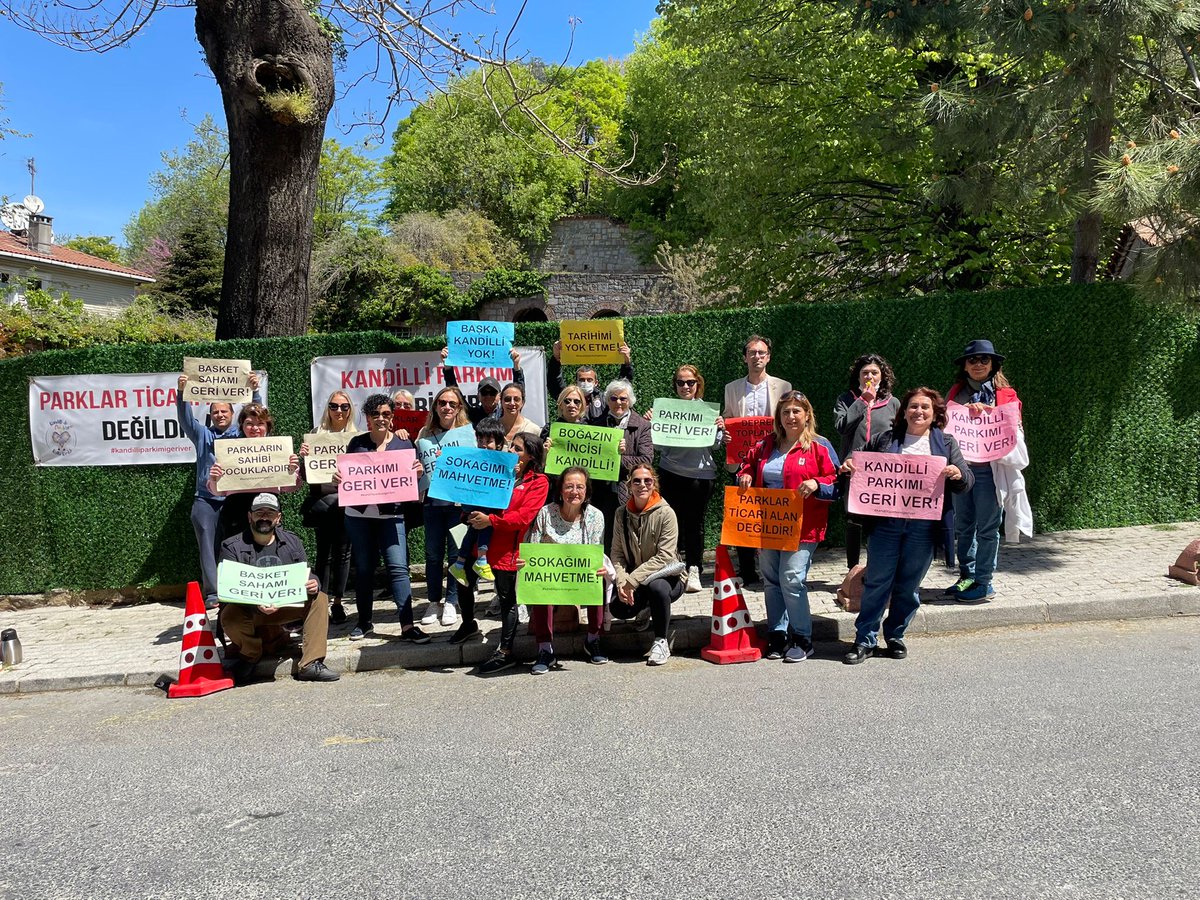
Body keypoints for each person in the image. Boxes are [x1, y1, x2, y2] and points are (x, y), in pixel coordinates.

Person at [841, 388, 973, 664]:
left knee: (908, 585)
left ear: (935, 413)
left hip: (923, 527)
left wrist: (957, 473)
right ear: (904, 411)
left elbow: (967, 480)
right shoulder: (885, 439)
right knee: (877, 581)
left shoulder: (946, 443)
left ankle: (895, 635)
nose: (919, 412)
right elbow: (859, 462)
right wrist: (850, 465)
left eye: (925, 407)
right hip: (886, 524)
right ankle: (864, 639)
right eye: (913, 406)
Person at [737, 392, 839, 660]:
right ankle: (777, 634)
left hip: (804, 525)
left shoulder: (819, 446)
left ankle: (803, 638)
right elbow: (746, 465)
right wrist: (745, 474)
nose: (791, 417)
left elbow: (837, 481)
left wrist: (818, 483)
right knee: (771, 580)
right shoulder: (766, 444)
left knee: (791, 579)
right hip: (768, 524)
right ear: (778, 418)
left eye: (796, 411)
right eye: (785, 412)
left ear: (807, 415)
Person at [218, 493, 340, 684]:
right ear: (250, 516)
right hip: (250, 609)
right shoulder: (231, 546)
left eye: (270, 512)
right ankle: (250, 655)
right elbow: (228, 588)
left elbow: (307, 572)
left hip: (285, 606)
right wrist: (255, 603)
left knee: (320, 597)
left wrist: (313, 581)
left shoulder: (292, 541)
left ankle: (310, 663)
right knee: (228, 613)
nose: (264, 517)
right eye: (259, 512)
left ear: (278, 518)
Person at [338, 392, 429, 643]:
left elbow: (416, 485)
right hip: (359, 515)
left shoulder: (404, 446)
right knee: (365, 569)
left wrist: (418, 473)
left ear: (392, 417)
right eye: (375, 414)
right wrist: (340, 479)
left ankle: (408, 625)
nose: (381, 418)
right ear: (367, 417)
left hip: (392, 515)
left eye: (386, 414)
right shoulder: (356, 444)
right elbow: (348, 477)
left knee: (399, 568)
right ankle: (364, 622)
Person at [944, 340, 1023, 604]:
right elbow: (946, 425)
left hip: (990, 470)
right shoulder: (955, 393)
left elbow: (1014, 426)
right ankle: (967, 575)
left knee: (988, 528)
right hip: (963, 470)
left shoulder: (1007, 395)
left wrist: (993, 412)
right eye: (973, 360)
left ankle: (984, 581)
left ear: (993, 365)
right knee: (964, 525)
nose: (978, 364)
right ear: (965, 366)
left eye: (984, 360)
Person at [176, 370, 262, 608]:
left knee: (243, 545)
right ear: (210, 416)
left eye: (224, 411)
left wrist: (255, 392)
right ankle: (213, 593)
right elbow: (185, 420)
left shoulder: (242, 434)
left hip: (236, 499)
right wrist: (181, 393)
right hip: (206, 500)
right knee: (207, 546)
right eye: (215, 412)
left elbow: (259, 420)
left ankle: (247, 587)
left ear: (233, 415)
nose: (220, 414)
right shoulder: (202, 434)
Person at [470, 432, 550, 675]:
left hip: (512, 552)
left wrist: (490, 520)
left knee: (509, 602)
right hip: (489, 546)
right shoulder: (498, 473)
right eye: (510, 446)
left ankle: (505, 651)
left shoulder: (539, 482)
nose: (511, 451)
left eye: (518, 449)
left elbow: (523, 517)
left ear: (530, 456)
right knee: (502, 598)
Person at [522, 466, 609, 674]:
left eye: (580, 487)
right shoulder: (546, 513)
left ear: (587, 491)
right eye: (569, 486)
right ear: (560, 490)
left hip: (580, 577)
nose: (574, 492)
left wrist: (599, 568)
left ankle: (593, 640)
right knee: (537, 582)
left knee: (600, 578)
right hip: (552, 576)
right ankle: (545, 649)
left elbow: (596, 553)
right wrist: (527, 563)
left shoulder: (595, 516)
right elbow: (534, 549)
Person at [723, 334, 792, 585]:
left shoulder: (784, 387)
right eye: (752, 353)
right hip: (741, 461)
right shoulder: (731, 388)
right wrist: (723, 426)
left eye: (761, 353)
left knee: (771, 514)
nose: (757, 357)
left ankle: (774, 568)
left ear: (768, 357)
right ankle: (747, 570)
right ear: (745, 358)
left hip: (772, 460)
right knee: (743, 515)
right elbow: (727, 419)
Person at [652, 364, 726, 593]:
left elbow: (715, 445)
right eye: (681, 382)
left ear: (698, 385)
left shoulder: (708, 412)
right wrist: (652, 423)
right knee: (670, 523)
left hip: (700, 475)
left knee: (695, 524)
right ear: (675, 385)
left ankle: (694, 568)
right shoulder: (664, 410)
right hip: (670, 472)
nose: (685, 386)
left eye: (690, 382)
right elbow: (657, 445)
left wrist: (720, 429)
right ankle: (673, 567)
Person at [610, 464, 685, 667]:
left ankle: (661, 641)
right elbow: (616, 554)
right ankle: (647, 607)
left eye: (647, 481)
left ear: (654, 484)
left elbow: (665, 556)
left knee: (657, 588)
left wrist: (632, 580)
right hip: (635, 579)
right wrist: (622, 581)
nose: (642, 485)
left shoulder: (666, 513)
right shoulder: (620, 514)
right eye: (636, 481)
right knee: (618, 608)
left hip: (667, 577)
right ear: (629, 485)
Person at [833, 354, 900, 569]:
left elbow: (900, 435)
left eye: (874, 373)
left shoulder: (893, 403)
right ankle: (852, 570)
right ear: (858, 376)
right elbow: (842, 427)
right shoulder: (846, 399)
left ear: (883, 376)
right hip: (852, 468)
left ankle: (877, 567)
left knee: (879, 520)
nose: (869, 377)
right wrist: (863, 401)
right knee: (853, 518)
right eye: (865, 373)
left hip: (883, 472)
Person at [298, 390, 359, 626]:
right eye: (334, 406)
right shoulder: (316, 435)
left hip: (346, 502)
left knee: (343, 554)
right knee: (323, 554)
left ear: (350, 410)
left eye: (344, 407)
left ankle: (337, 602)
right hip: (323, 504)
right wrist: (304, 458)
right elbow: (306, 476)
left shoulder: (356, 437)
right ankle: (320, 602)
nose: (339, 411)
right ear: (328, 409)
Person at [414, 385, 471, 627]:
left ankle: (452, 601)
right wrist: (416, 470)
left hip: (458, 505)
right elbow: (416, 470)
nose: (447, 407)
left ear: (459, 408)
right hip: (433, 504)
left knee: (457, 554)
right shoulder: (424, 434)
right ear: (435, 406)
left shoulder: (467, 435)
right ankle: (433, 601)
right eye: (442, 403)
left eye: (452, 404)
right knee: (433, 555)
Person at [207, 402, 301, 541]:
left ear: (267, 427)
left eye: (260, 423)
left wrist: (292, 471)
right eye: (249, 423)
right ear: (242, 426)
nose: (255, 428)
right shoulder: (229, 452)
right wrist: (215, 479)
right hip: (236, 512)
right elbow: (218, 492)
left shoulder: (280, 451)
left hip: (268, 508)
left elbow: (290, 488)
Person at [592, 379, 654, 552]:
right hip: (601, 494)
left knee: (630, 541)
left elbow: (646, 460)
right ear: (607, 401)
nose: (618, 402)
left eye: (623, 399)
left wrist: (617, 458)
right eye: (613, 398)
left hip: (629, 493)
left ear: (630, 401)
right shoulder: (596, 425)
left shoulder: (642, 426)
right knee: (603, 538)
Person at [448, 416, 507, 586]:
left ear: (498, 444)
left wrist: (513, 468)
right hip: (473, 504)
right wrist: (445, 459)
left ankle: (459, 563)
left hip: (486, 504)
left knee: (474, 530)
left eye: (488, 441)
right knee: (484, 523)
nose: (483, 444)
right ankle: (481, 560)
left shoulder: (503, 461)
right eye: (480, 440)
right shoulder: (471, 459)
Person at [548, 339, 635, 422]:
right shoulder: (569, 397)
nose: (585, 382)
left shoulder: (605, 399)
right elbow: (554, 382)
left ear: (596, 383)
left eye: (589, 380)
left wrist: (626, 363)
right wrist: (556, 359)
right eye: (582, 379)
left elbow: (622, 386)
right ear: (576, 382)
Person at [442, 346, 525, 424]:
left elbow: (518, 391)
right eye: (484, 392)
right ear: (478, 395)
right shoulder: (472, 415)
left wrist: (516, 366)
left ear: (500, 395)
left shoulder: (508, 411)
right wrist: (448, 367)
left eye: (492, 392)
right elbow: (455, 393)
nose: (488, 396)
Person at [498, 382, 534, 448]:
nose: (512, 403)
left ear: (523, 402)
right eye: (507, 399)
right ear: (501, 401)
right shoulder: (492, 428)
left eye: (516, 399)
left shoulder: (532, 430)